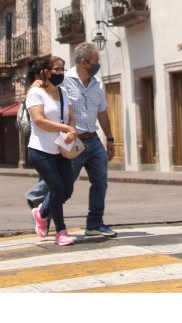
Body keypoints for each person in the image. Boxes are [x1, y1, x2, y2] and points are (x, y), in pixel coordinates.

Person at [29, 42, 117, 239]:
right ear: (83, 62)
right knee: (64, 187)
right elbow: (44, 88)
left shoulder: (98, 83)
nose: (98, 65)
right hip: (72, 142)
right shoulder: (64, 80)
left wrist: (110, 138)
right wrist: (36, 83)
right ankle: (43, 211)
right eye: (95, 61)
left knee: (100, 182)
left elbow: (102, 113)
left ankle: (95, 223)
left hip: (93, 139)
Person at [25, 56, 78, 246]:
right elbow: (39, 120)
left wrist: (71, 130)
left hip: (61, 149)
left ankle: (42, 212)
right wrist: (65, 128)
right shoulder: (35, 93)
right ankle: (61, 232)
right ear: (46, 71)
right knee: (56, 187)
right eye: (56, 69)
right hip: (40, 150)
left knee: (67, 190)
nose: (60, 73)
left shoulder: (63, 92)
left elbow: (71, 117)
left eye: (63, 69)